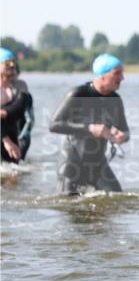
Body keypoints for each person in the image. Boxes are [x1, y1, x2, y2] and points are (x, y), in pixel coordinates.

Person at [50, 53, 130, 194]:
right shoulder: (78, 94)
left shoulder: (116, 100)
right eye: (117, 73)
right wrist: (90, 128)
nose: (122, 78)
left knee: (117, 201)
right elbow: (54, 125)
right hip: (72, 162)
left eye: (122, 73)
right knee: (68, 206)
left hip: (98, 163)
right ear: (103, 75)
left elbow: (125, 130)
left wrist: (123, 136)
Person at [1, 49, 33, 164]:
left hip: (13, 135)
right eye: (7, 65)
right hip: (5, 137)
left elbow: (19, 108)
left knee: (13, 175)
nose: (11, 68)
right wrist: (6, 140)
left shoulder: (21, 85)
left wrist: (5, 113)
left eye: (12, 64)